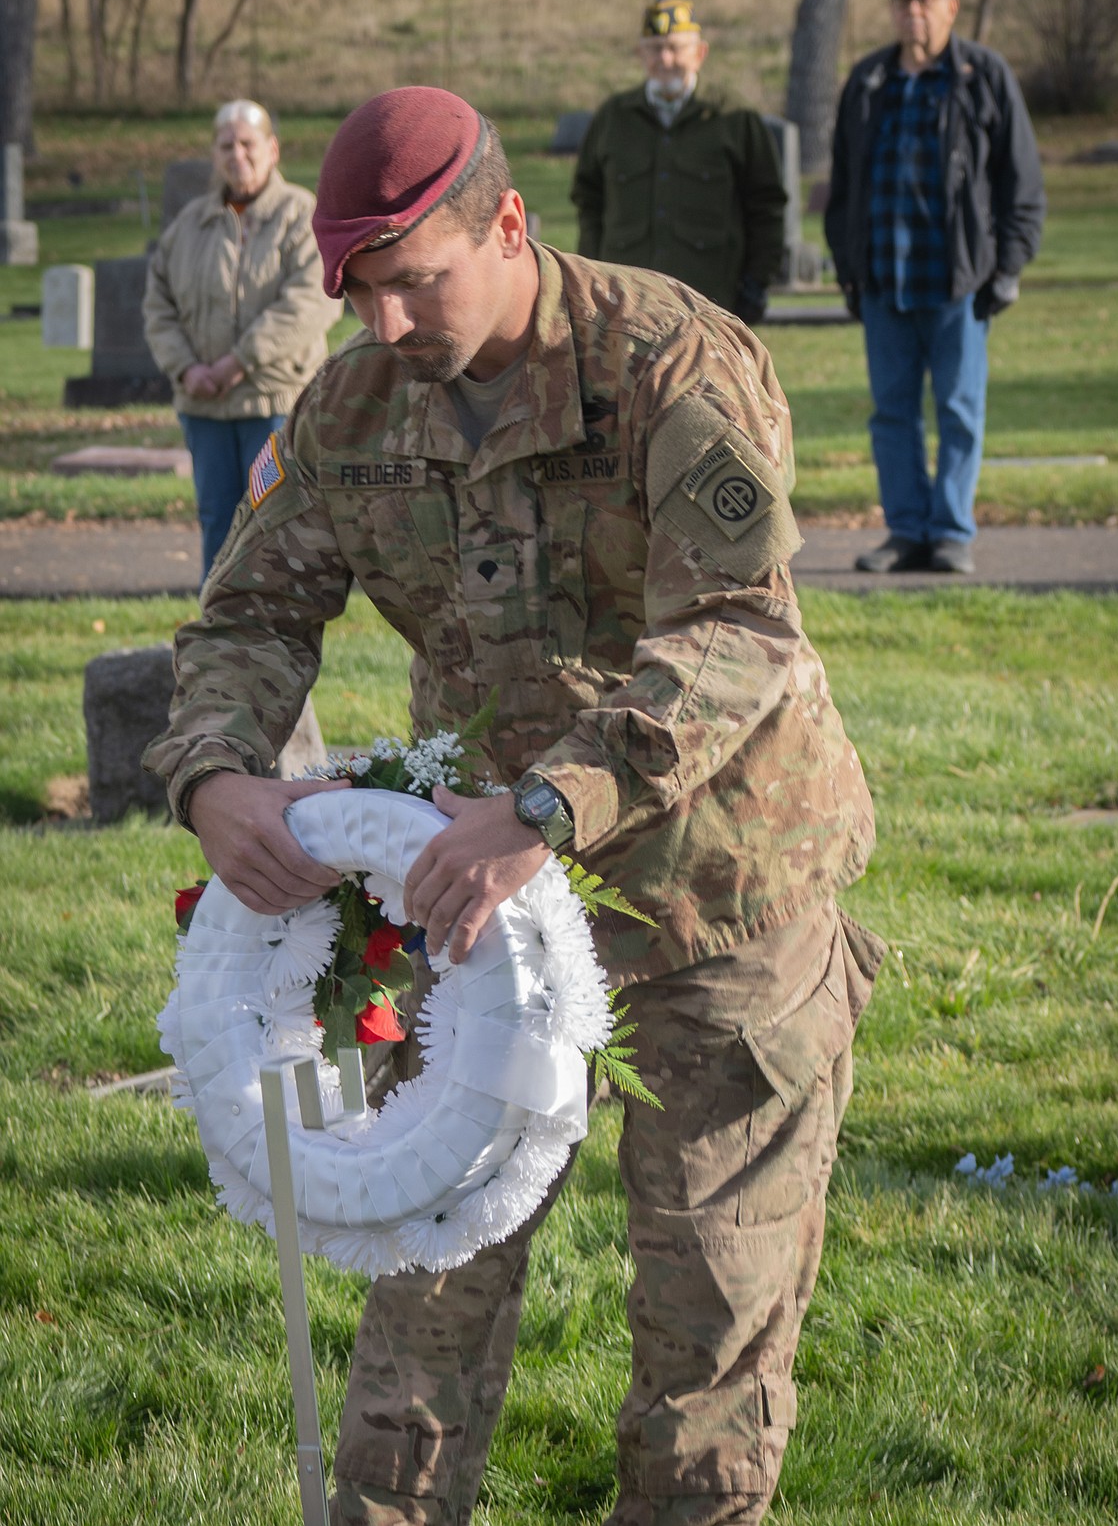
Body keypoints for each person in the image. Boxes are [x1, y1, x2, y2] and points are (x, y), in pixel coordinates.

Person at [144, 86, 886, 1526]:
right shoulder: (352, 402)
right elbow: (246, 616)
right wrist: (214, 772)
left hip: (715, 888)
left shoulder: (673, 361)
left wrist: (546, 807)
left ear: (508, 224)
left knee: (710, 1319)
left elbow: (739, 632)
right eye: (357, 292)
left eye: (413, 283)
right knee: (420, 1272)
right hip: (471, 905)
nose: (386, 327)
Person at [824, 0, 1045, 575]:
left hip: (959, 282)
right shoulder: (868, 79)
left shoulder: (983, 75)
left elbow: (1021, 181)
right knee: (891, 413)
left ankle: (950, 532)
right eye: (902, 0)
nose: (911, 11)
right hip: (884, 281)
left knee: (958, 411)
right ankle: (905, 531)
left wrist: (1008, 267)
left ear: (952, 7)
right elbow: (843, 184)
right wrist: (848, 267)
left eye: (924, 0)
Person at [143, 98, 340, 579]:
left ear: (272, 149)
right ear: (215, 154)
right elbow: (158, 306)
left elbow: (312, 301)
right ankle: (219, 633)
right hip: (204, 406)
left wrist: (238, 362)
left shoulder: (300, 215)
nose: (238, 155)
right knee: (217, 524)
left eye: (248, 144)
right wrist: (187, 368)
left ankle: (274, 637)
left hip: (271, 404)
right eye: (226, 145)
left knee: (274, 525)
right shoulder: (190, 225)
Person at [572, 0, 786, 323]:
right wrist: (590, 274)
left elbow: (766, 205)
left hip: (709, 307)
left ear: (700, 54)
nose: (665, 59)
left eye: (675, 47)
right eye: (655, 48)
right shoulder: (612, 119)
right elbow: (589, 201)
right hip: (626, 309)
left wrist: (757, 283)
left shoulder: (733, 118)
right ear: (640, 54)